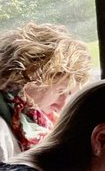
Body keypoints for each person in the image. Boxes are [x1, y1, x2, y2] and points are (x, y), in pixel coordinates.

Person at [0, 22, 92, 160]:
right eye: (60, 91)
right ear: (32, 75)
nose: (61, 106)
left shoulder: (35, 123)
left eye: (69, 95)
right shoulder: (3, 130)